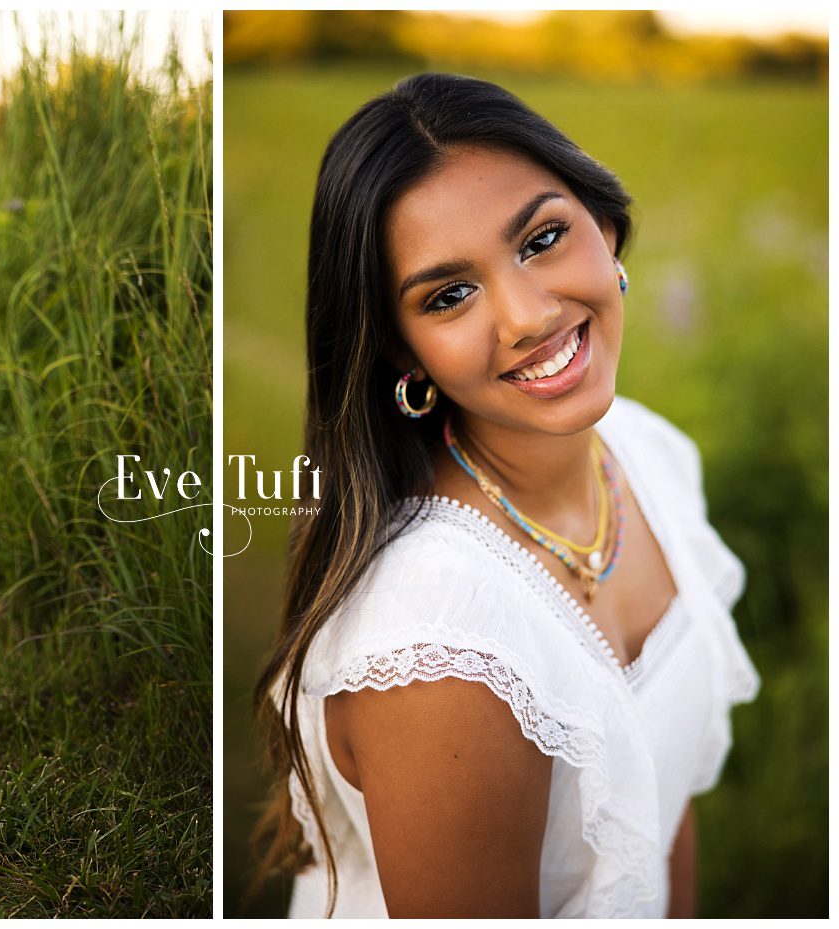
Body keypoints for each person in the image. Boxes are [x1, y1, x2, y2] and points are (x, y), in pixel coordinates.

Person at [251, 74, 758, 918]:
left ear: (603, 224)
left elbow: (657, 812)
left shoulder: (648, 453)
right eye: (449, 295)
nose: (525, 315)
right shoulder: (440, 644)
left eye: (543, 238)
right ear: (401, 353)